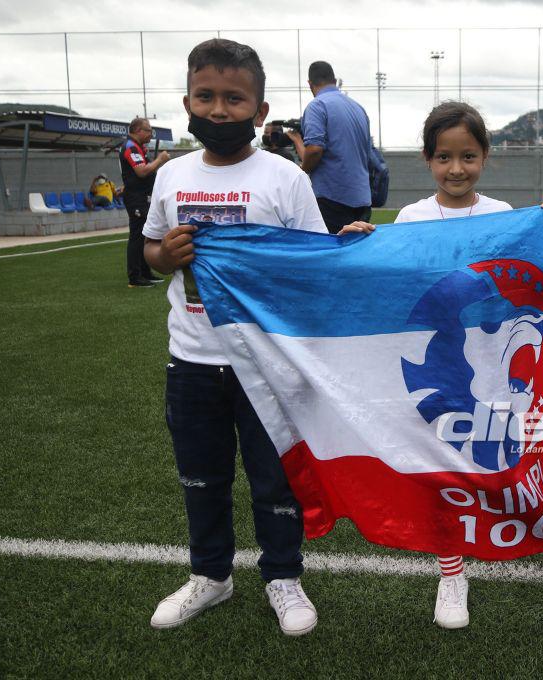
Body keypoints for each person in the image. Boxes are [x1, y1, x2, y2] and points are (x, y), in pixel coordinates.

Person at [141, 38, 373, 637]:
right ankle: (211, 576)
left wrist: (348, 244)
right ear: (187, 101)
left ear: (261, 110)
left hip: (267, 362)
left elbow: (313, 261)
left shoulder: (286, 178)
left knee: (275, 478)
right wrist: (165, 253)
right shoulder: (170, 176)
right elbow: (150, 250)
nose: (219, 110)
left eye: (234, 98)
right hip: (193, 359)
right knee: (201, 475)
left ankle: (283, 577)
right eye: (206, 96)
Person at [362, 101, 543, 630]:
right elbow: (390, 277)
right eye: (443, 157)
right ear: (427, 159)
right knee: (439, 467)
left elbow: (533, 269)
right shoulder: (411, 219)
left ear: (485, 156)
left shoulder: (502, 214)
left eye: (467, 156)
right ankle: (451, 573)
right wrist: (361, 246)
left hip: (496, 366)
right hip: (440, 366)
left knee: (506, 464)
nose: (455, 169)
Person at [289, 61, 373, 233]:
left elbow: (314, 149)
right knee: (355, 256)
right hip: (362, 199)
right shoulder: (358, 108)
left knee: (330, 254)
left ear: (310, 84)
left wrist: (302, 172)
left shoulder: (317, 105)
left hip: (332, 199)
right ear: (334, 80)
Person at [121, 117, 170, 288]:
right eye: (148, 130)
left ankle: (145, 272)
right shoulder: (130, 147)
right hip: (136, 198)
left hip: (143, 197)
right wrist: (160, 160)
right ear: (137, 131)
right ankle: (135, 276)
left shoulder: (139, 147)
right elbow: (141, 172)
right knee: (137, 236)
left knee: (145, 235)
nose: (151, 133)